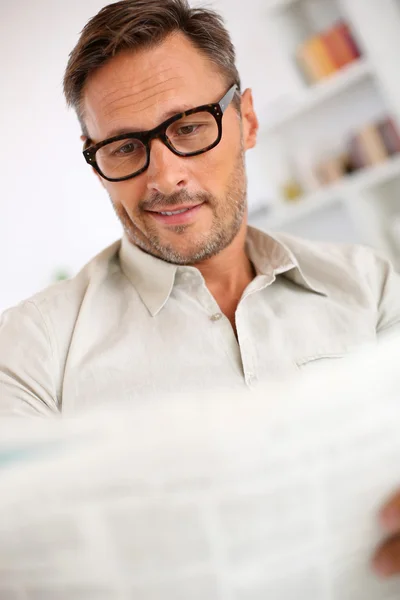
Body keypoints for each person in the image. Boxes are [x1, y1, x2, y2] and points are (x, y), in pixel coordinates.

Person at [0, 0, 400, 577]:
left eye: (189, 127)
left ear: (249, 121)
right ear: (97, 165)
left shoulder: (372, 286)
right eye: (124, 147)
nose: (164, 177)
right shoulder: (33, 348)